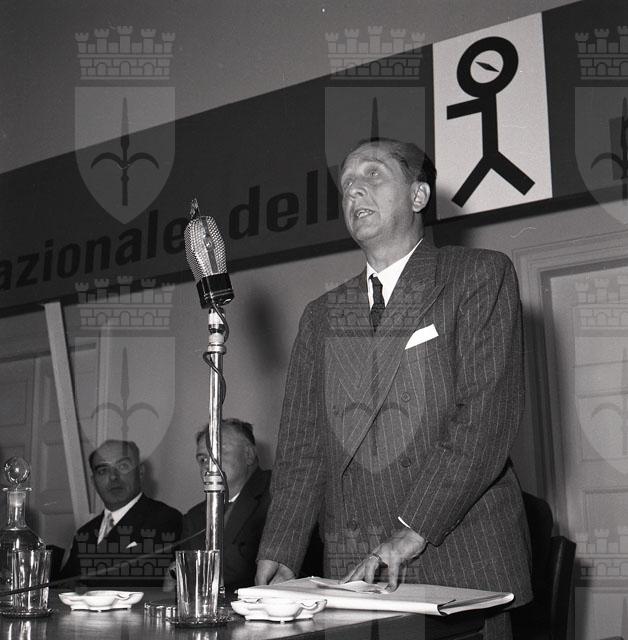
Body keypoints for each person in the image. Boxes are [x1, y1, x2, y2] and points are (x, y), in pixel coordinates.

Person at [255, 137, 532, 639]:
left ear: (419, 195)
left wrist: (412, 531)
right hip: (352, 574)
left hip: (455, 562)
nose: (353, 190)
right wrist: (281, 547)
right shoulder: (321, 316)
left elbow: (483, 419)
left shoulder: (478, 275)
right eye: (346, 184)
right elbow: (301, 446)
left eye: (373, 174)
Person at [59, 439, 182, 587]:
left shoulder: (165, 520)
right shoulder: (84, 533)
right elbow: (62, 587)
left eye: (123, 466)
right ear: (94, 481)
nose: (113, 477)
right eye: (103, 470)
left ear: (140, 472)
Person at [178, 418, 272, 592]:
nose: (209, 465)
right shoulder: (195, 517)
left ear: (249, 455)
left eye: (217, 454)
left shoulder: (278, 493)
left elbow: (251, 565)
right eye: (203, 459)